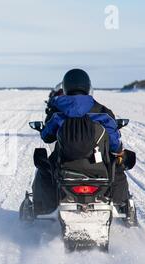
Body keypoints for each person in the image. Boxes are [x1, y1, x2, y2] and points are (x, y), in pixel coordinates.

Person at [32, 69, 130, 214]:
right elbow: (115, 143)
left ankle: (42, 209)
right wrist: (118, 152)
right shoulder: (102, 111)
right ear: (88, 87)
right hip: (99, 170)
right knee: (118, 167)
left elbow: (46, 136)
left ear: (65, 87)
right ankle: (121, 205)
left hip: (64, 169)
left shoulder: (58, 111)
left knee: (44, 169)